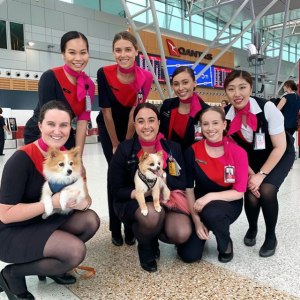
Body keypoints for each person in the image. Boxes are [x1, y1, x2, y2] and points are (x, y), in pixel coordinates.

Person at [0, 101, 100, 300]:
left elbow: (85, 196)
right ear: (40, 126)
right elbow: (5, 214)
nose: (57, 131)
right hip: (14, 230)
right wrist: (51, 203)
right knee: (74, 252)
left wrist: (83, 201)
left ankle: (50, 267)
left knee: (90, 219)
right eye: (51, 124)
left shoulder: (68, 157)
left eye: (64, 125)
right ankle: (12, 274)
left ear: (70, 127)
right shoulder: (21, 160)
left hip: (45, 221)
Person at [110, 103, 191, 272]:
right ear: (135, 125)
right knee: (152, 214)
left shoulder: (173, 148)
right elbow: (116, 189)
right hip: (133, 201)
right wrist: (139, 192)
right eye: (140, 121)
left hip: (166, 199)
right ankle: (146, 245)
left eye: (151, 120)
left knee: (181, 232)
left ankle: (151, 233)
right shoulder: (125, 149)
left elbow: (182, 182)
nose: (146, 126)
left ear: (159, 123)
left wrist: (163, 178)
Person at [223, 70, 295, 257]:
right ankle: (252, 227)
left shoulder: (267, 108)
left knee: (267, 190)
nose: (237, 93)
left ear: (251, 88)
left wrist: (261, 175)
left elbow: (279, 147)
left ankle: (271, 236)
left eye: (242, 87)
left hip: (278, 153)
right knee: (251, 193)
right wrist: (251, 175)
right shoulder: (226, 116)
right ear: (226, 92)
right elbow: (234, 151)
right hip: (249, 159)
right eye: (231, 89)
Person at [97, 31, 153, 247]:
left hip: (132, 126)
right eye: (118, 50)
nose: (123, 54)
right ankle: (114, 228)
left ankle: (129, 225)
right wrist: (115, 144)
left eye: (128, 49)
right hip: (108, 126)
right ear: (113, 53)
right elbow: (107, 112)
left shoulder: (145, 77)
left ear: (136, 52)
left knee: (132, 172)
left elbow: (134, 112)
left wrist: (127, 143)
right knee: (114, 175)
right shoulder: (104, 73)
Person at [180, 107, 248, 263]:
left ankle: (225, 243)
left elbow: (239, 191)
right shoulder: (192, 151)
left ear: (224, 125)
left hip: (229, 202)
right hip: (198, 203)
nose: (210, 129)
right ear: (201, 126)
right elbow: (189, 189)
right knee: (189, 256)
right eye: (205, 124)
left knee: (212, 213)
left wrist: (210, 197)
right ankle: (203, 228)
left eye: (215, 123)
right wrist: (196, 221)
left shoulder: (238, 152)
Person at [23, 31, 95, 157]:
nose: (78, 58)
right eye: (72, 52)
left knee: (70, 172)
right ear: (63, 54)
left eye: (83, 52)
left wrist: (78, 158)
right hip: (40, 132)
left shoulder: (89, 85)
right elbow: (48, 119)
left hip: (65, 133)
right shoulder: (50, 77)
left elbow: (82, 123)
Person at [160, 66, 210, 152]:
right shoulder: (167, 105)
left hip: (193, 162)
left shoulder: (206, 111)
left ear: (194, 83)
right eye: (176, 84)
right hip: (169, 159)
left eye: (185, 82)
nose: (180, 88)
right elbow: (160, 132)